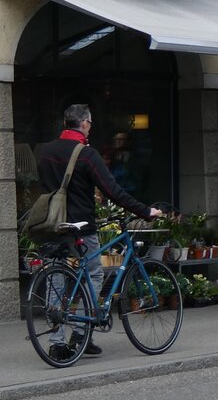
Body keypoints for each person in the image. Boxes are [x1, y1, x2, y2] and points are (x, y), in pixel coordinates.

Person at [36, 104, 161, 361]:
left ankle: (56, 342)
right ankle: (81, 335)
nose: (90, 127)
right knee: (93, 273)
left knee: (55, 279)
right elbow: (112, 190)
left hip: (51, 224)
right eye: (90, 123)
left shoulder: (45, 151)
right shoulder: (87, 154)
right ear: (84, 123)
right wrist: (145, 211)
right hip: (81, 227)